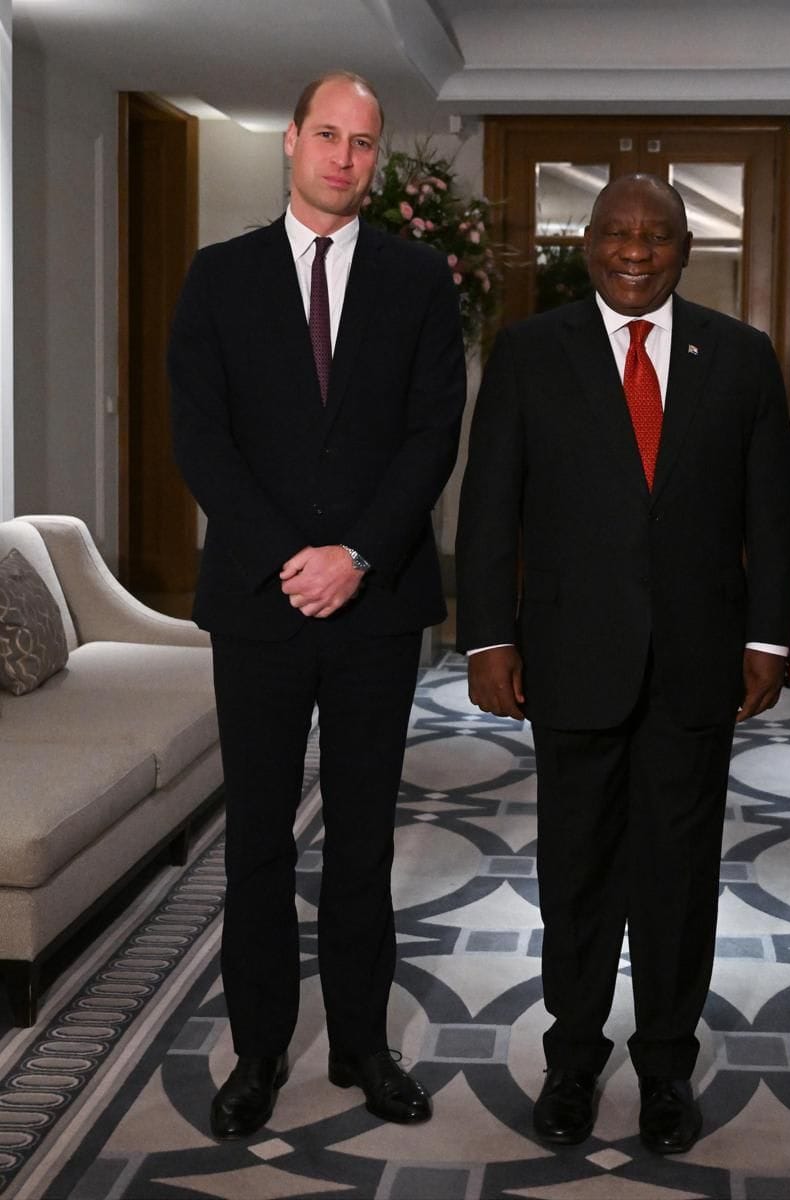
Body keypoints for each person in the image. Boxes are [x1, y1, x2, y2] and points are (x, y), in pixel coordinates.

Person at [455, 174, 790, 1153]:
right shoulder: (529, 352)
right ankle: (571, 1061)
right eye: (617, 232)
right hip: (570, 659)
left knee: (679, 876)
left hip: (698, 664)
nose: (635, 250)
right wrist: (488, 638)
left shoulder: (739, 357)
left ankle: (663, 1069)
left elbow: (773, 512)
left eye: (656, 235)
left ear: (686, 248)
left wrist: (768, 639)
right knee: (575, 871)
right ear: (589, 242)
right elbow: (490, 508)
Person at [169, 70, 465, 1140]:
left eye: (364, 143)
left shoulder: (419, 277)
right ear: (291, 141)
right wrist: (290, 556)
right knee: (256, 837)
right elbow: (201, 436)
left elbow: (434, 432)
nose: (345, 157)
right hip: (258, 604)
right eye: (327, 135)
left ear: (376, 159)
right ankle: (257, 1053)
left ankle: (360, 1046)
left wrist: (355, 555)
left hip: (379, 608)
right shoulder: (220, 277)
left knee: (365, 838)